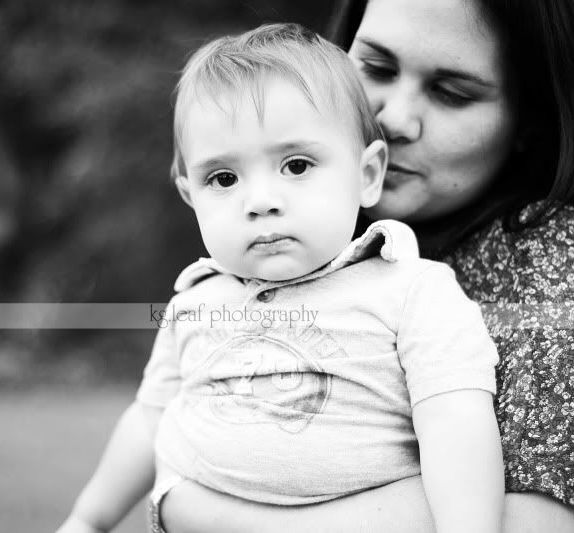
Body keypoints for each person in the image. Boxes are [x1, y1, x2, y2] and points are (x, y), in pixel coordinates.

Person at [57, 23, 504, 533]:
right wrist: (87, 520)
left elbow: (455, 420)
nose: (261, 200)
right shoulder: (194, 302)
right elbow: (149, 417)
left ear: (367, 175)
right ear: (190, 195)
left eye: (296, 165)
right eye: (223, 179)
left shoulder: (411, 290)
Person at [158, 1, 574, 532]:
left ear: (528, 122)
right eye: (376, 68)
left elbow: (533, 523)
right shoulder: (298, 247)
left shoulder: (548, 261)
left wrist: (201, 510)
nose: (392, 119)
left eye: (453, 93)